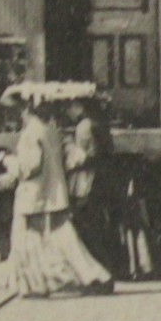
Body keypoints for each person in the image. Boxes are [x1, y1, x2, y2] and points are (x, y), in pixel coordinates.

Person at [0, 83, 114, 298]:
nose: (18, 115)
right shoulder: (51, 131)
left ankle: (36, 285)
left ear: (26, 110)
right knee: (66, 240)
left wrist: (6, 161)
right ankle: (95, 277)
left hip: (34, 198)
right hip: (54, 196)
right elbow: (67, 156)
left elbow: (29, 167)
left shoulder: (30, 134)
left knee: (30, 241)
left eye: (19, 110)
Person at [63, 93, 125, 279]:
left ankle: (98, 269)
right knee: (99, 223)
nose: (69, 111)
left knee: (87, 225)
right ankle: (109, 266)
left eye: (71, 106)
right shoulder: (100, 124)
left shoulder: (84, 127)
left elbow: (86, 155)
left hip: (86, 180)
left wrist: (70, 152)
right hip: (100, 179)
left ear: (80, 106)